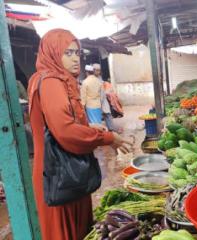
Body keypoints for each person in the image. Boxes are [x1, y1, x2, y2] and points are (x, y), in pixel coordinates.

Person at [27, 29, 132, 240]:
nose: (75, 58)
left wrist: (91, 129)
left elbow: (56, 125)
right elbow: (66, 133)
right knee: (67, 231)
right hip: (59, 172)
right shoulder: (51, 82)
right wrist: (108, 138)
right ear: (53, 53)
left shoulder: (48, 79)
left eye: (77, 53)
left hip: (60, 169)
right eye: (68, 53)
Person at [93, 63, 117, 132]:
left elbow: (102, 88)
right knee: (100, 116)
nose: (98, 72)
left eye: (99, 70)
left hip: (102, 99)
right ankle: (102, 131)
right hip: (97, 101)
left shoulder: (99, 78)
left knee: (108, 114)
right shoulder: (92, 78)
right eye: (97, 70)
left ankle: (111, 129)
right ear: (93, 70)